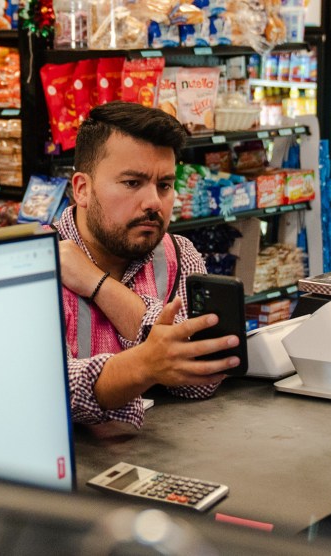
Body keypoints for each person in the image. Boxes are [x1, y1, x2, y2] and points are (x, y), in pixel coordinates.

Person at [55, 101, 240, 428]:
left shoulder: (179, 254)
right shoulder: (34, 264)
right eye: (132, 183)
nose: (154, 202)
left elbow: (205, 374)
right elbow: (46, 388)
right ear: (82, 189)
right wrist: (144, 365)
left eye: (164, 185)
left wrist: (100, 286)